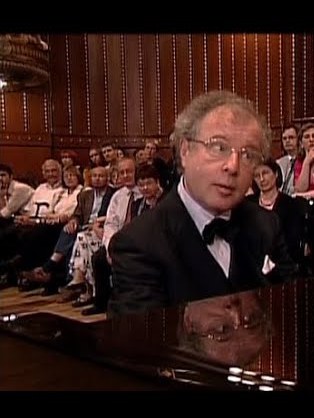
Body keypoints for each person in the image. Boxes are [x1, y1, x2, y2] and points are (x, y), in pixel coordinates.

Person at [108, 90, 297, 316]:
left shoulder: (266, 224)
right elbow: (141, 343)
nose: (233, 166)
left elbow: (289, 312)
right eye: (218, 147)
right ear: (185, 151)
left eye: (248, 155)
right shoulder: (139, 243)